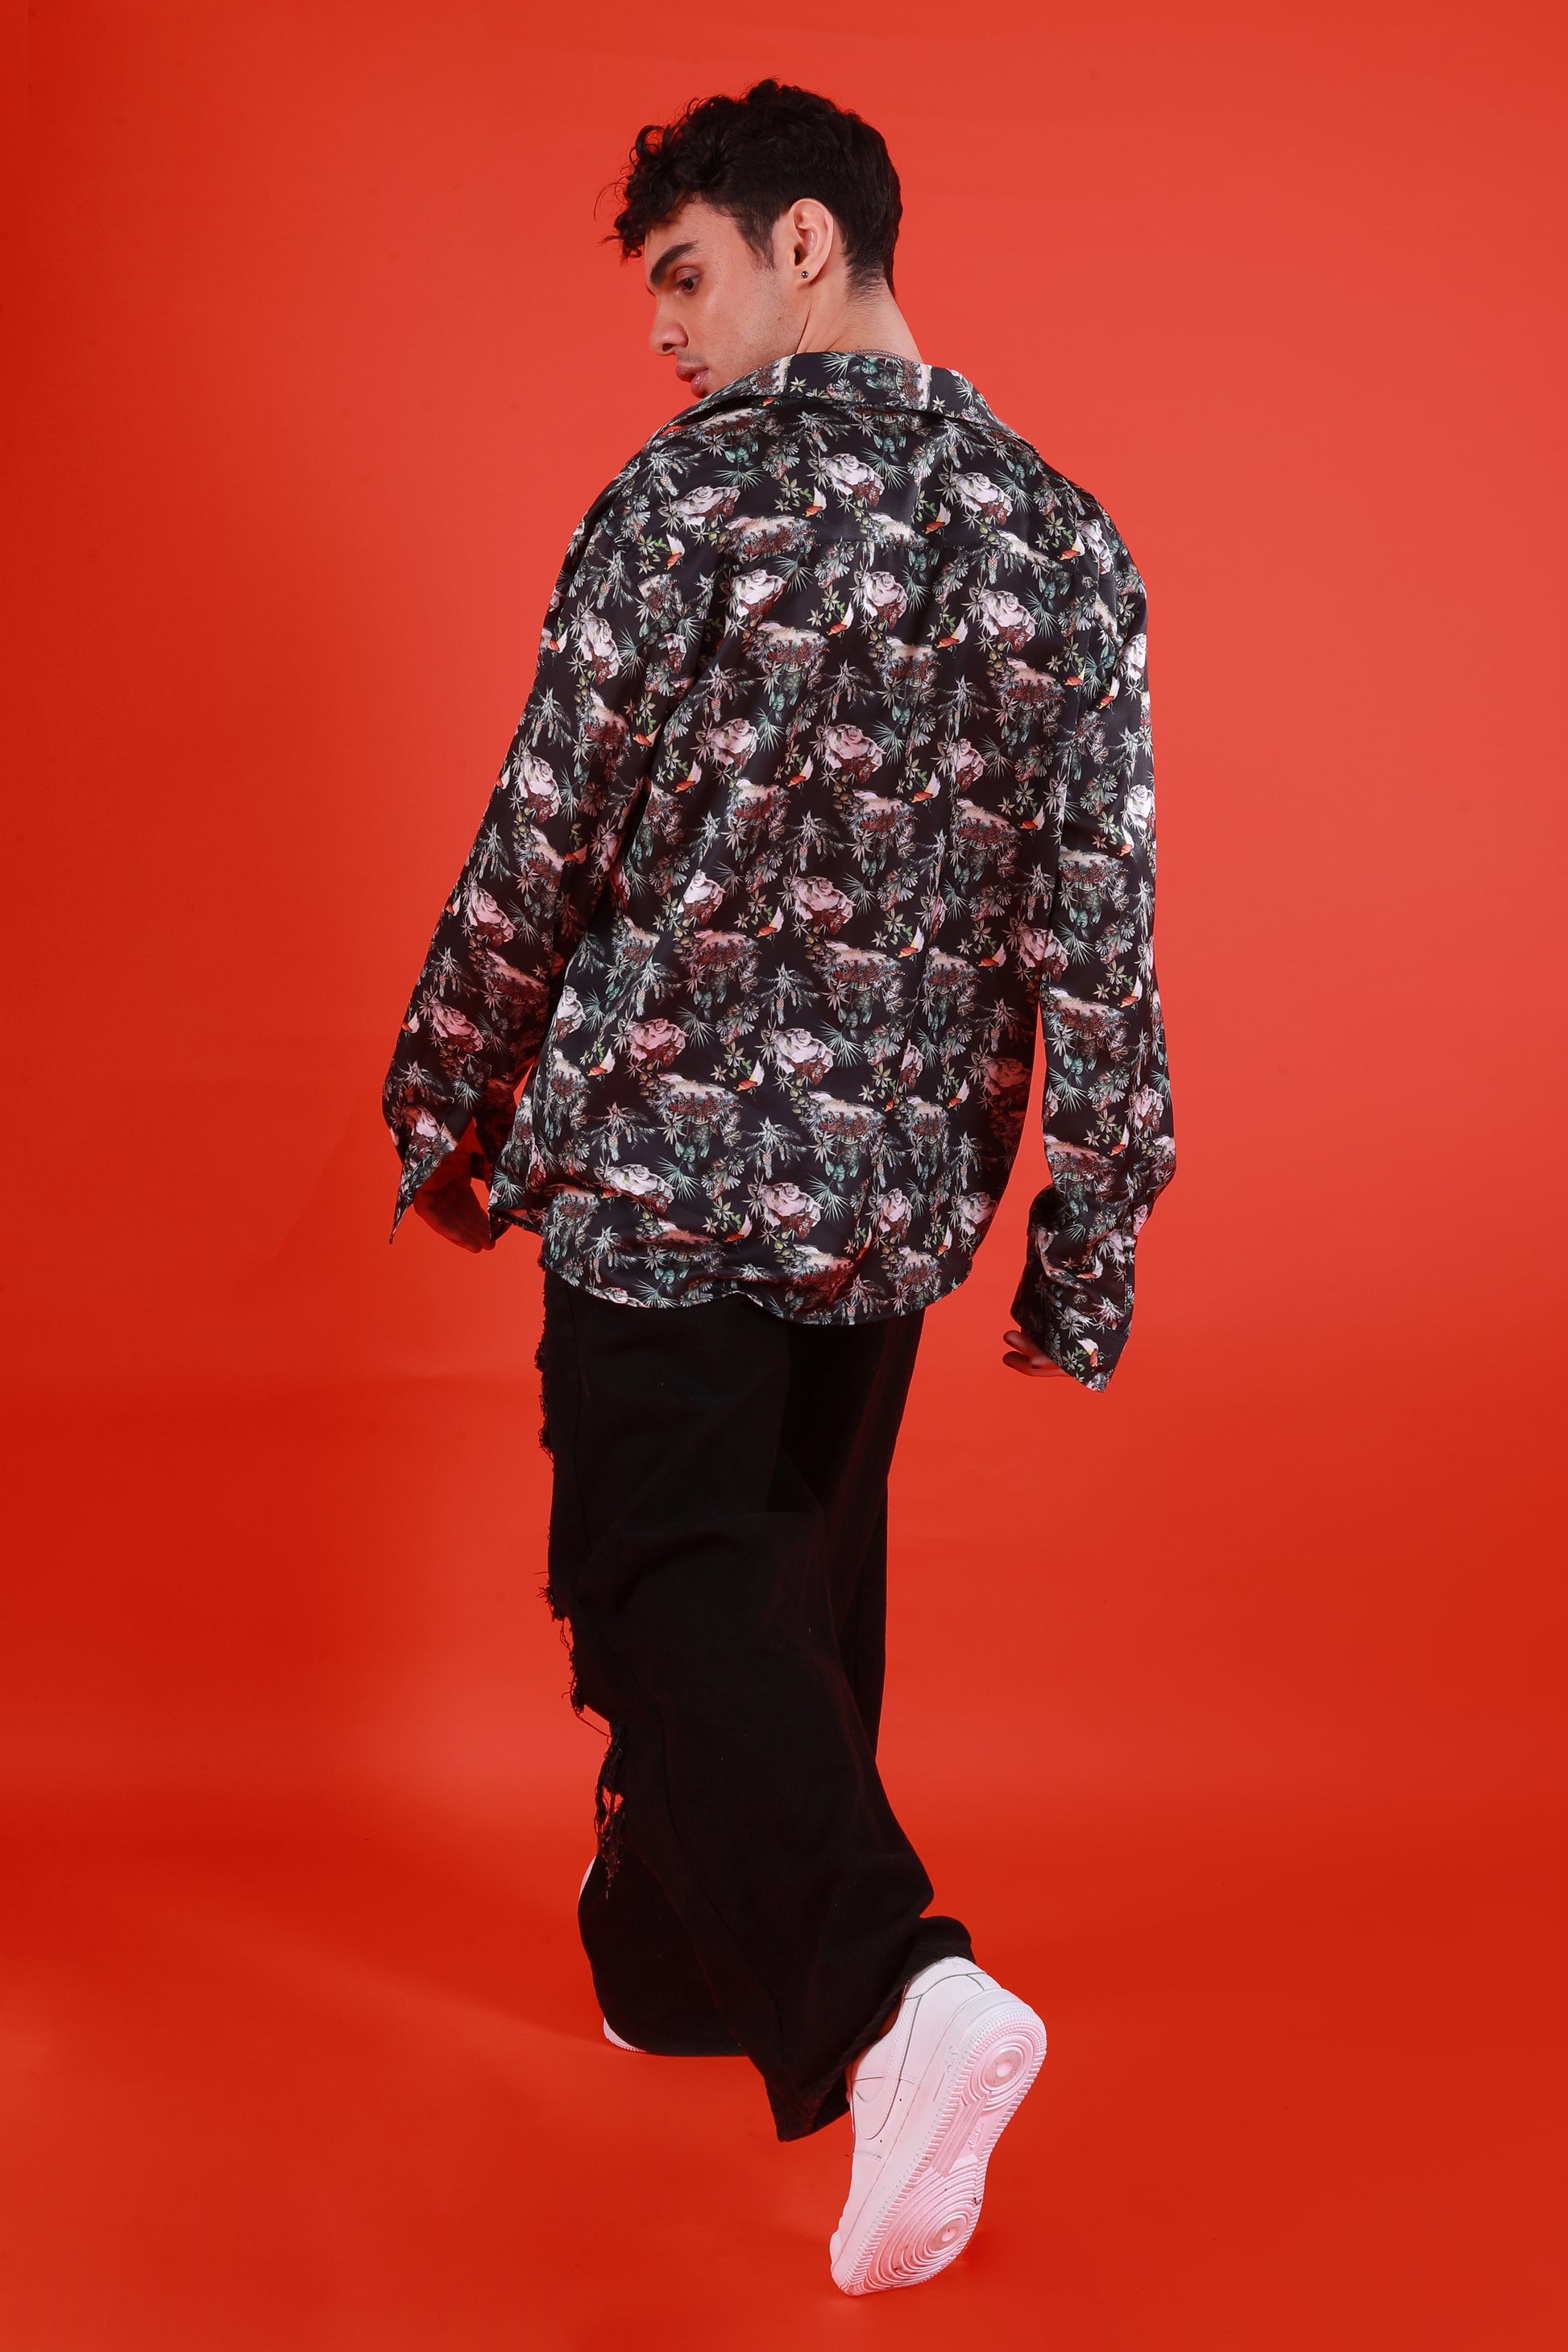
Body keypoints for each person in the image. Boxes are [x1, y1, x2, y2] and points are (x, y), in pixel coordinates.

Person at [382, 80, 1174, 2296]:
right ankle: (675, 1964)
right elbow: (1100, 937)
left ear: (802, 242)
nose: (661, 333)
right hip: (888, 1205)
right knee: (783, 1599)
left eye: (684, 273)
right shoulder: (1064, 542)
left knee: (663, 1580)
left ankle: (892, 1997)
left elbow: (545, 837)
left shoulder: (680, 508)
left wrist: (442, 1099)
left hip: (660, 1174)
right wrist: (1085, 1246)